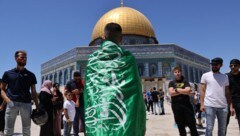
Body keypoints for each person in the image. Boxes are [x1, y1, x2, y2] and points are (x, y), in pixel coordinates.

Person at [84, 22, 146, 136]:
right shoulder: (128, 58)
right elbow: (136, 93)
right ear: (121, 39)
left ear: (103, 37)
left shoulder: (93, 60)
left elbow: (89, 93)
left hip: (101, 113)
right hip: (122, 120)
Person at [1, 50, 39, 136]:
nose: (24, 59)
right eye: (22, 57)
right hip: (12, 103)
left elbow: (33, 92)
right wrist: (7, 100)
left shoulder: (31, 75)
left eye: (26, 58)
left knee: (26, 130)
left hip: (26, 104)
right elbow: (2, 89)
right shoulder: (8, 74)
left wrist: (37, 106)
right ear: (16, 58)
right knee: (8, 130)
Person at [200, 57, 233, 136]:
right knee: (209, 128)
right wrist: (202, 104)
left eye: (216, 65)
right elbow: (202, 91)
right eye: (212, 64)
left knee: (222, 129)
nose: (214, 66)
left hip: (223, 106)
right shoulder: (205, 75)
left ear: (221, 65)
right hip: (210, 105)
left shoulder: (225, 77)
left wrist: (231, 106)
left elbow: (227, 92)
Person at [168, 66, 198, 136]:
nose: (177, 73)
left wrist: (177, 90)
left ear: (181, 73)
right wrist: (184, 91)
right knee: (180, 124)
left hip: (186, 105)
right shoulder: (171, 82)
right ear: (174, 73)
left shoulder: (185, 81)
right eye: (175, 72)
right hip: (176, 106)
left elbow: (188, 90)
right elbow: (171, 93)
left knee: (191, 123)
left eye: (178, 72)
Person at [65, 71, 84, 136]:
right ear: (73, 77)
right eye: (76, 79)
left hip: (82, 104)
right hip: (74, 105)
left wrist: (81, 90)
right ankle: (76, 134)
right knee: (75, 121)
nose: (78, 80)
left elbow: (87, 90)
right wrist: (72, 92)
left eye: (79, 79)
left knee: (84, 120)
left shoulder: (83, 82)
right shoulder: (70, 83)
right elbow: (66, 92)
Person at [226, 59, 240, 133]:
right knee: (224, 123)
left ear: (239, 66)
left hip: (239, 101)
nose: (233, 67)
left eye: (235, 65)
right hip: (227, 102)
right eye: (231, 66)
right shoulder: (226, 76)